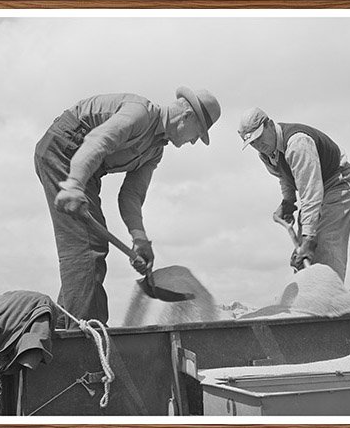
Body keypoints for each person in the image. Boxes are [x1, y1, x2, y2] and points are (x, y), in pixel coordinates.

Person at [34, 87, 221, 323]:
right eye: (198, 133)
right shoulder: (140, 113)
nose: (193, 141)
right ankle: (86, 335)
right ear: (187, 116)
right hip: (64, 148)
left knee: (88, 245)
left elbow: (131, 195)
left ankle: (65, 326)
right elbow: (98, 140)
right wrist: (74, 184)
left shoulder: (155, 151)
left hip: (87, 169)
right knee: (87, 246)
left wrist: (139, 238)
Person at [238, 107, 350, 283]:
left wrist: (309, 239)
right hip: (316, 187)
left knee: (323, 243)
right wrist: (288, 201)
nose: (258, 145)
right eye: (252, 143)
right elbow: (284, 175)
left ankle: (330, 295)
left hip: (338, 182)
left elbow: (311, 193)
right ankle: (309, 291)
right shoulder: (266, 153)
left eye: (259, 138)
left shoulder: (298, 144)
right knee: (304, 250)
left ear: (270, 125)